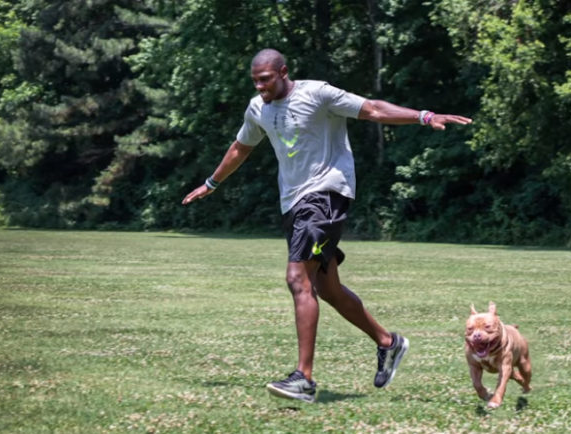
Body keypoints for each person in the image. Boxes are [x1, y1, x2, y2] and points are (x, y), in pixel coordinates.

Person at [182, 48, 472, 403]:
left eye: (266, 79)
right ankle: (389, 342)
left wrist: (424, 116)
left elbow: (373, 109)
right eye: (255, 81)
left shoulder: (318, 93)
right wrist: (211, 183)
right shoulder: (258, 108)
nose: (260, 87)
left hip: (325, 195)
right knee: (327, 287)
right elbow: (242, 147)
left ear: (283, 72)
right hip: (293, 203)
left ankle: (303, 378)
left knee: (297, 279)